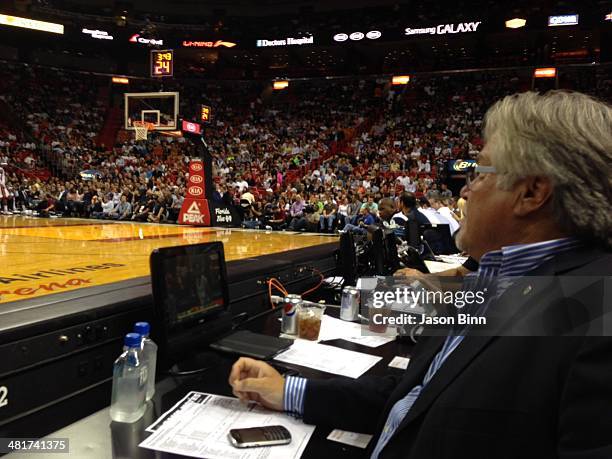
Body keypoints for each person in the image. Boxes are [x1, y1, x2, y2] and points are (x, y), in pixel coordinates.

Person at [228, 91, 612, 458]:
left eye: (478, 174)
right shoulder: (497, 279)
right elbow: (415, 396)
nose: (465, 193)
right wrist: (288, 391)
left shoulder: (596, 308)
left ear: (531, 193)